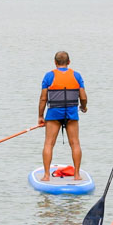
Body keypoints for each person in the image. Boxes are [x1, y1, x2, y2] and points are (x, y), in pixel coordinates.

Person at [38, 50, 88, 180]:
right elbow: (82, 96)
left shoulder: (49, 76)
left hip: (54, 113)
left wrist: (40, 116)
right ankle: (76, 175)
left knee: (49, 144)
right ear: (69, 62)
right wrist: (83, 107)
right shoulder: (76, 76)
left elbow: (43, 98)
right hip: (71, 113)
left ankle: (46, 175)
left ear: (55, 63)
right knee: (75, 143)